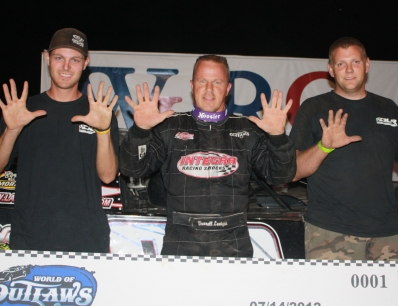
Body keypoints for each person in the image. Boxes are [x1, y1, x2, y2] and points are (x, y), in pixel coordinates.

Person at [290, 37, 398, 305]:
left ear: (367, 65)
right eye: (341, 63)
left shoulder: (388, 109)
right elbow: (295, 171)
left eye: (355, 61)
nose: (349, 69)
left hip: (387, 234)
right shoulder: (314, 108)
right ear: (331, 70)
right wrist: (324, 146)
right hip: (331, 232)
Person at [119, 54, 296, 257]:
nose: (209, 89)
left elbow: (281, 176)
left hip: (234, 247)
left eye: (217, 82)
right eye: (203, 81)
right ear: (192, 85)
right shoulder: (169, 127)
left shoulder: (248, 129)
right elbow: (131, 168)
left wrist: (278, 138)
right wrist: (140, 131)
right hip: (181, 247)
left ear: (228, 88)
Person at [0, 28, 119, 252]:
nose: (66, 67)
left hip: (87, 238)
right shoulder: (24, 110)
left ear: (85, 63)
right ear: (48, 58)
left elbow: (108, 175)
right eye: (59, 58)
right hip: (30, 237)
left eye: (74, 60)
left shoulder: (98, 112)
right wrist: (12, 129)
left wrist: (103, 130)